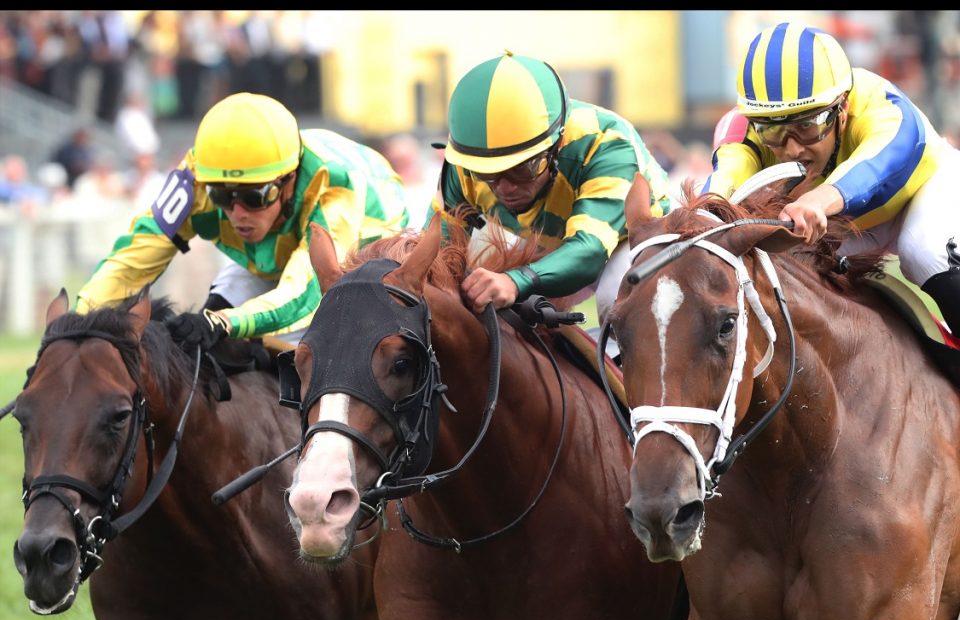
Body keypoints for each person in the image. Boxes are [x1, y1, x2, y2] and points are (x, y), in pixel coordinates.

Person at [75, 92, 409, 347]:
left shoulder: (335, 192)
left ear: (290, 179)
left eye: (254, 197)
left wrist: (225, 322)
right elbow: (137, 254)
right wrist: (75, 322)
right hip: (275, 255)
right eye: (222, 196)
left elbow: (302, 295)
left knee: (305, 358)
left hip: (352, 269)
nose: (237, 214)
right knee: (204, 346)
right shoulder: (198, 176)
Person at [703, 22, 960, 335]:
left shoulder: (881, 103)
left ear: (843, 107)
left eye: (808, 125)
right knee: (785, 272)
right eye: (772, 129)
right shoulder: (739, 132)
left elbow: (881, 165)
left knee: (923, 251)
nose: (793, 148)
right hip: (845, 224)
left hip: (921, 194)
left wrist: (820, 198)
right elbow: (719, 196)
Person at [429, 51, 672, 323]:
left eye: (522, 169)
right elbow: (435, 254)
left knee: (615, 297)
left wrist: (517, 280)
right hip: (554, 243)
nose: (505, 187)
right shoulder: (463, 166)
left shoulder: (606, 144)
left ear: (557, 146)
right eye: (488, 174)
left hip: (631, 241)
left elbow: (590, 252)